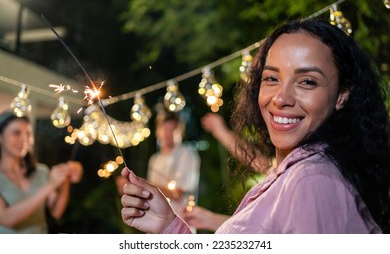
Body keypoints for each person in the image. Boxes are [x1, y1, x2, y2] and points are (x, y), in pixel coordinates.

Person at [120, 18, 390, 234]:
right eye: (271, 78)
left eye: (307, 81)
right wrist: (168, 225)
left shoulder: (313, 181)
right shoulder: (287, 175)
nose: (281, 98)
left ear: (342, 95)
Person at [0, 110, 83, 233]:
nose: (25, 139)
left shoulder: (41, 171)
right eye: (16, 133)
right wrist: (50, 185)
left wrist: (65, 179)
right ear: (1, 137)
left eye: (28, 133)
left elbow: (56, 212)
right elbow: (6, 219)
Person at [146, 111, 201, 221]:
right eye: (165, 129)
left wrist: (144, 186)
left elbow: (177, 194)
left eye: (173, 129)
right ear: (157, 131)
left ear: (181, 132)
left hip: (180, 223)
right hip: (157, 223)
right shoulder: (154, 159)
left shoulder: (186, 153)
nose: (168, 134)